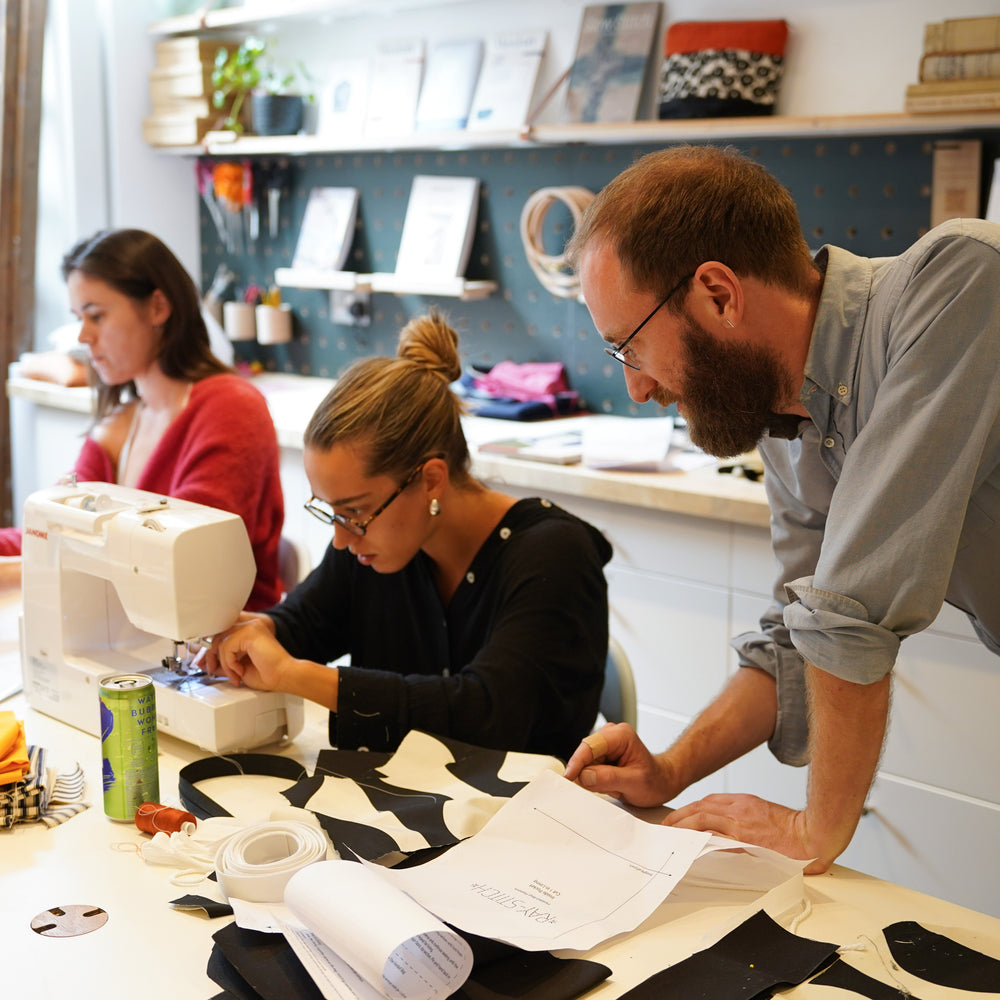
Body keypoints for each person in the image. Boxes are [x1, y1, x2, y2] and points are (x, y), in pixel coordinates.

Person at [560, 143, 1000, 874]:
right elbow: (799, 636)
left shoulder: (960, 279)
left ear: (719, 295)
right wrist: (669, 772)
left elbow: (850, 609)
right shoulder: (786, 421)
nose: (637, 389)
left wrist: (813, 830)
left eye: (628, 349)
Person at [203, 309, 612, 759]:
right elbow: (306, 621)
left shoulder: (554, 556)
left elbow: (488, 713)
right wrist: (254, 633)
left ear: (431, 479)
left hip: (536, 817)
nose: (341, 538)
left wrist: (296, 676)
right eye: (331, 511)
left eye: (353, 511)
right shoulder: (377, 538)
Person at [0, 228, 284, 609]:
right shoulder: (119, 422)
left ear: (157, 308)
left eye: (96, 316)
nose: (83, 336)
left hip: (221, 653)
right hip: (131, 636)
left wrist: (22, 569)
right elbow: (52, 528)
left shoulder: (231, 408)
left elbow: (181, 558)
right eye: (78, 318)